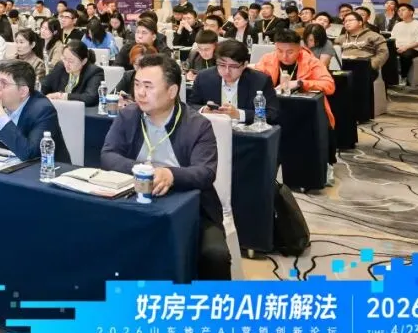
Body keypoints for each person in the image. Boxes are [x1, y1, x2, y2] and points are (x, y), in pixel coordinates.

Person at [101, 53, 230, 280]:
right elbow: (108, 155)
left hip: (191, 209)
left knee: (214, 255)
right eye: (137, 85)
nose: (140, 93)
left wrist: (170, 175)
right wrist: (144, 171)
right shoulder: (128, 115)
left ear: (172, 91)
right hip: (133, 203)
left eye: (148, 86)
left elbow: (205, 172)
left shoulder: (198, 125)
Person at [254, 30, 336, 184]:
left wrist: (300, 83)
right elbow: (255, 79)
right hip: (275, 109)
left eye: (290, 52)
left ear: (299, 48)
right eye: (280, 50)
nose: (284, 56)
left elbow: (329, 85)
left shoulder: (311, 61)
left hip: (304, 113)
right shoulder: (268, 59)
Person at [0, 59, 70, 163]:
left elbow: (29, 154)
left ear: (23, 91)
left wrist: (0, 114)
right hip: (8, 166)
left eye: (4, 83)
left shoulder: (43, 111)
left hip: (48, 169)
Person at [187, 40, 279, 125]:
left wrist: (239, 114)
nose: (227, 71)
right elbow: (190, 106)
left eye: (233, 66)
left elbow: (272, 114)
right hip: (212, 132)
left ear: (244, 65)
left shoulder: (260, 81)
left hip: (246, 134)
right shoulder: (203, 77)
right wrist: (203, 110)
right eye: (222, 65)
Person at [41, 41, 105, 107]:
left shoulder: (94, 72)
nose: (66, 64)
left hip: (81, 111)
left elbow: (90, 98)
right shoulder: (60, 66)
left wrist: (62, 96)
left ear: (84, 61)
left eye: (71, 61)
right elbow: (44, 85)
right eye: (64, 59)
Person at [335, 11, 389, 76]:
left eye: (350, 20)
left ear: (360, 22)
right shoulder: (340, 38)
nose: (347, 23)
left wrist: (372, 65)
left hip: (365, 67)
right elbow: (334, 54)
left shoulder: (373, 36)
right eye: (345, 21)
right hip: (343, 67)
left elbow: (383, 52)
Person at [390, 3, 418, 86]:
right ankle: (390, 79)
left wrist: (405, 47)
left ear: (411, 12)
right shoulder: (398, 25)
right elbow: (393, 38)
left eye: (403, 10)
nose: (400, 12)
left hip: (413, 49)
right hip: (397, 47)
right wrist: (396, 47)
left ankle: (404, 77)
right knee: (385, 53)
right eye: (399, 11)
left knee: (406, 54)